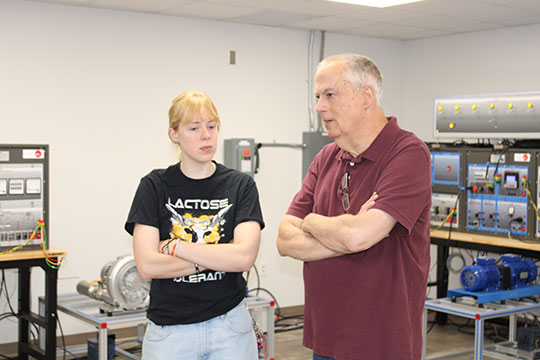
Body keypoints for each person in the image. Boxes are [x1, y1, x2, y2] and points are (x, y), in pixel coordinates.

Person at [276, 54, 431, 360]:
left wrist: (310, 222)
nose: (320, 106)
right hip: (327, 338)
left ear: (366, 96)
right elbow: (284, 241)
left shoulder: (408, 154)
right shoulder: (326, 157)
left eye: (330, 95)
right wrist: (346, 232)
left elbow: (359, 236)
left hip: (380, 342)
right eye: (318, 97)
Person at [125, 90, 265, 360]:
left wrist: (176, 246)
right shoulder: (154, 186)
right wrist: (220, 255)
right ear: (174, 134)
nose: (206, 136)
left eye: (212, 127)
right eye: (194, 128)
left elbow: (244, 258)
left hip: (230, 328)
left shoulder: (240, 185)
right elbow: (147, 266)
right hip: (170, 332)